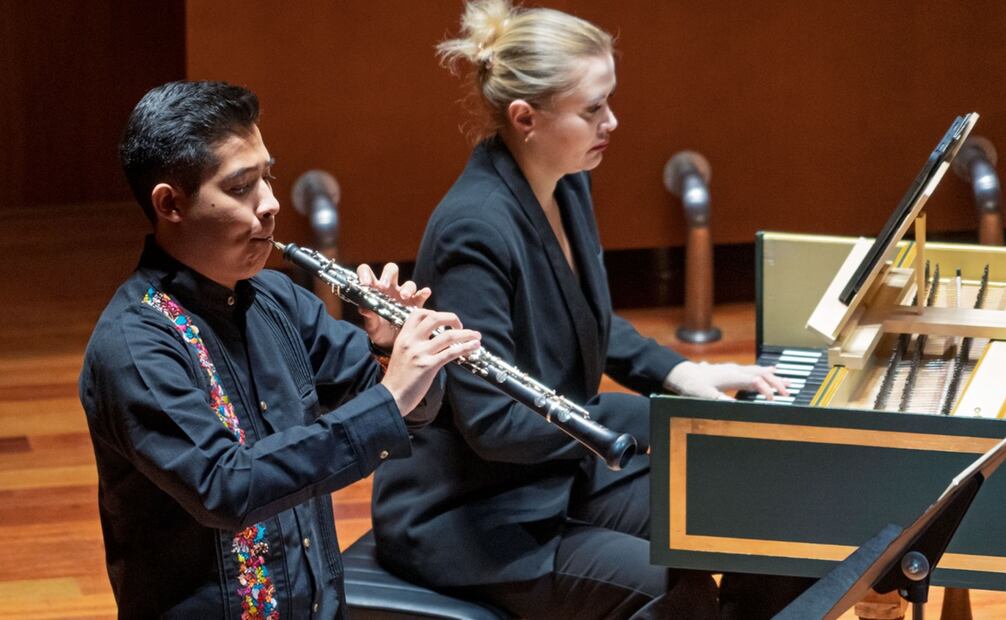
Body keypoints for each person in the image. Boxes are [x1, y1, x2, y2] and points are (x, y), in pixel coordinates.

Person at [372, 2, 812, 619]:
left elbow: (586, 320)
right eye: (592, 109)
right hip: (480, 514)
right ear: (525, 117)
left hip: (559, 472)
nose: (613, 119)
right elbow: (495, 424)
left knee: (763, 520)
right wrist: (661, 418)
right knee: (675, 592)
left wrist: (684, 376)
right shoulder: (473, 230)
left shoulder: (567, 179)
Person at [78, 80, 481, 619]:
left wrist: (389, 352)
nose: (270, 203)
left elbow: (406, 415)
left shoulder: (278, 298)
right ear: (170, 203)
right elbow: (227, 488)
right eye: (243, 186)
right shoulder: (134, 346)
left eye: (268, 175)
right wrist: (389, 398)